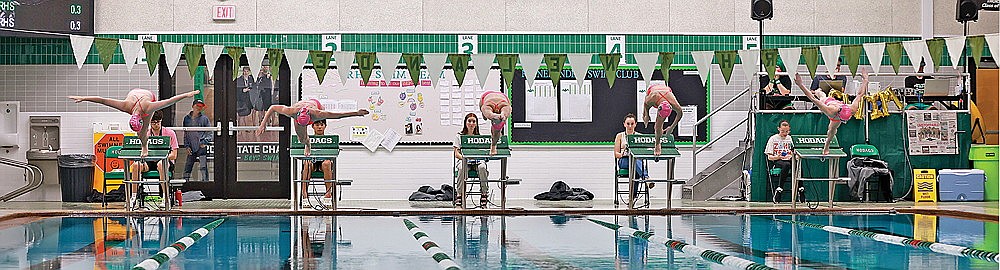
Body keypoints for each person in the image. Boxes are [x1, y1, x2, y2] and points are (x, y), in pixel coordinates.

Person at [68, 88, 198, 157]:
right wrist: (83, 98)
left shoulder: (148, 107)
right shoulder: (125, 106)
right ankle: (143, 143)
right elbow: (103, 100)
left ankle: (144, 146)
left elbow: (170, 101)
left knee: (143, 132)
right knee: (140, 134)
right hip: (134, 96)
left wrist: (187, 95)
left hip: (147, 96)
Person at [794, 68, 870, 155]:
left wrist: (865, 79)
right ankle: (818, 91)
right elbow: (813, 99)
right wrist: (800, 85)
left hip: (835, 106)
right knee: (821, 96)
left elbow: (860, 94)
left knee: (832, 132)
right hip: (828, 103)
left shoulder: (852, 109)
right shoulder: (830, 111)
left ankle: (826, 145)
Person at [256, 98, 368, 156]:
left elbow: (338, 115)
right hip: (301, 109)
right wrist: (263, 124)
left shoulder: (318, 114)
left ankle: (308, 144)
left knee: (326, 117)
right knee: (301, 139)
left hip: (315, 104)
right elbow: (272, 107)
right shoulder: (291, 111)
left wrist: (357, 113)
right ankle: (307, 144)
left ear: (311, 120)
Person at [128, 111, 179, 204]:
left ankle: (165, 197)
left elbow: (174, 155)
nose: (155, 125)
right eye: (153, 123)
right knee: (136, 165)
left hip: (165, 161)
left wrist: (163, 157)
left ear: (161, 121)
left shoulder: (170, 133)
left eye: (157, 122)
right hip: (149, 162)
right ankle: (133, 197)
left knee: (160, 164)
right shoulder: (145, 133)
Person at [454, 113, 490, 208]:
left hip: (477, 161)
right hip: (464, 161)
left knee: (482, 167)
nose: (471, 123)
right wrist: (466, 158)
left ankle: (484, 194)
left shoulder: (479, 137)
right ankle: (460, 195)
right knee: (461, 168)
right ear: (465, 123)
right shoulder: (459, 136)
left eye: (473, 121)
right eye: (469, 121)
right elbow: (456, 153)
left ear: (476, 124)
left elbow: (482, 152)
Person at [613, 113, 652, 197]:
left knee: (636, 166)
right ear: (624, 124)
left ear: (635, 124)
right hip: (624, 160)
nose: (630, 126)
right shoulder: (620, 136)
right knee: (636, 164)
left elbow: (645, 151)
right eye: (628, 124)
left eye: (632, 124)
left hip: (636, 160)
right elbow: (616, 154)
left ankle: (632, 196)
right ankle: (646, 178)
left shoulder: (640, 136)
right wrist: (622, 154)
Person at [641, 84, 683, 156]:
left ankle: (657, 144)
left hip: (666, 91)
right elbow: (645, 104)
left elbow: (680, 114)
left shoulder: (674, 104)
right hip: (652, 90)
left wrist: (672, 127)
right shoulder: (652, 98)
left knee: (658, 126)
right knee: (654, 124)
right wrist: (647, 115)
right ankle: (657, 145)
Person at [764, 120, 800, 203]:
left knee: (798, 164)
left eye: (787, 131)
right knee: (786, 165)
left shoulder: (790, 139)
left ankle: (800, 188)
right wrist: (777, 157)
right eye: (783, 131)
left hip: (790, 159)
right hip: (777, 160)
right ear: (778, 129)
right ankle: (779, 189)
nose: (785, 133)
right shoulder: (773, 139)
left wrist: (792, 156)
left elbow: (795, 153)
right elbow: (769, 157)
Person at [301, 119, 336, 203]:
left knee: (327, 163)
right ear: (312, 126)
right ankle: (304, 193)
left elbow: (332, 155)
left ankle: (328, 194)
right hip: (312, 163)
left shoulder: (330, 139)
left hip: (323, 164)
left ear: (325, 126)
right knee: (307, 163)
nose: (319, 127)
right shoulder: (307, 139)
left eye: (321, 125)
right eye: (317, 125)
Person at [182, 99, 211, 181]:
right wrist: (187, 146)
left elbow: (210, 132)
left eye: (201, 107)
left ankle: (205, 183)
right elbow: (185, 133)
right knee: (188, 166)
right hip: (191, 146)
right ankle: (185, 182)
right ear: (192, 106)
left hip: (201, 147)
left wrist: (204, 142)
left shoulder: (204, 119)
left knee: (203, 167)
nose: (199, 108)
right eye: (197, 106)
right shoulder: (186, 119)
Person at [479, 90, 511, 156]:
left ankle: (492, 116)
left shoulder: (486, 107)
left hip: (489, 98)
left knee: (488, 113)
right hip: (502, 101)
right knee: (496, 131)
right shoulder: (506, 109)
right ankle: (493, 146)